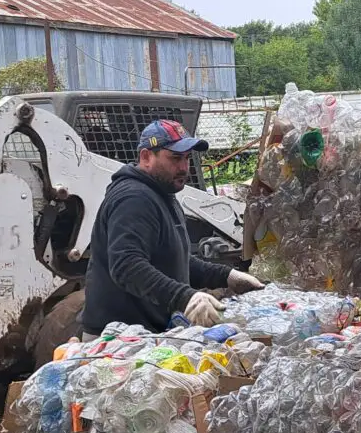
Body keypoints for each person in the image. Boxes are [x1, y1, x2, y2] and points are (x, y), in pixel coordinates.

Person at [81, 119, 264, 339]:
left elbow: (172, 259)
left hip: (144, 335)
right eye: (175, 158)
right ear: (146, 157)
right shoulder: (134, 198)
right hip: (118, 339)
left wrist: (227, 276)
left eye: (187, 158)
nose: (184, 168)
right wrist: (184, 297)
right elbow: (126, 266)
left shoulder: (163, 193)